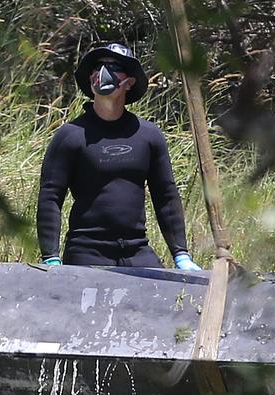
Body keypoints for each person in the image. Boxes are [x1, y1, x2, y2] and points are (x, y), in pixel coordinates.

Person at [36, 43, 200, 270]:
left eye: (113, 66)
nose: (102, 73)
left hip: (137, 250)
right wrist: (50, 257)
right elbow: (50, 196)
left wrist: (181, 254)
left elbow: (165, 195)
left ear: (129, 82)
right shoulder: (70, 135)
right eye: (97, 67)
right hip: (86, 252)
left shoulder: (148, 135)